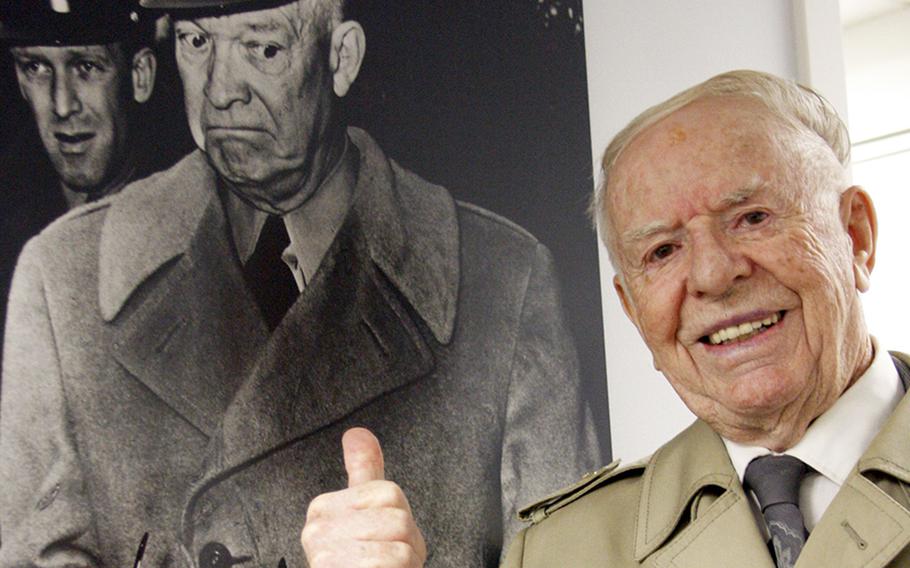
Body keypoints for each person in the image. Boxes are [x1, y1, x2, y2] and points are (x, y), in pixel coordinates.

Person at [0, 0, 601, 567]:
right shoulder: (64, 279)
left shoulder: (503, 281)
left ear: (340, 58)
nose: (219, 91)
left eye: (262, 51)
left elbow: (573, 556)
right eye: (196, 41)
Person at [503, 69, 910, 567]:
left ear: (855, 236)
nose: (714, 275)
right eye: (663, 251)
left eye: (752, 218)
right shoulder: (558, 553)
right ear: (632, 309)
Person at [0, 0, 158, 375]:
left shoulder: (197, 219)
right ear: (20, 81)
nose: (62, 104)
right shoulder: (10, 230)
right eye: (36, 67)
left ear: (140, 75)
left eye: (87, 67)